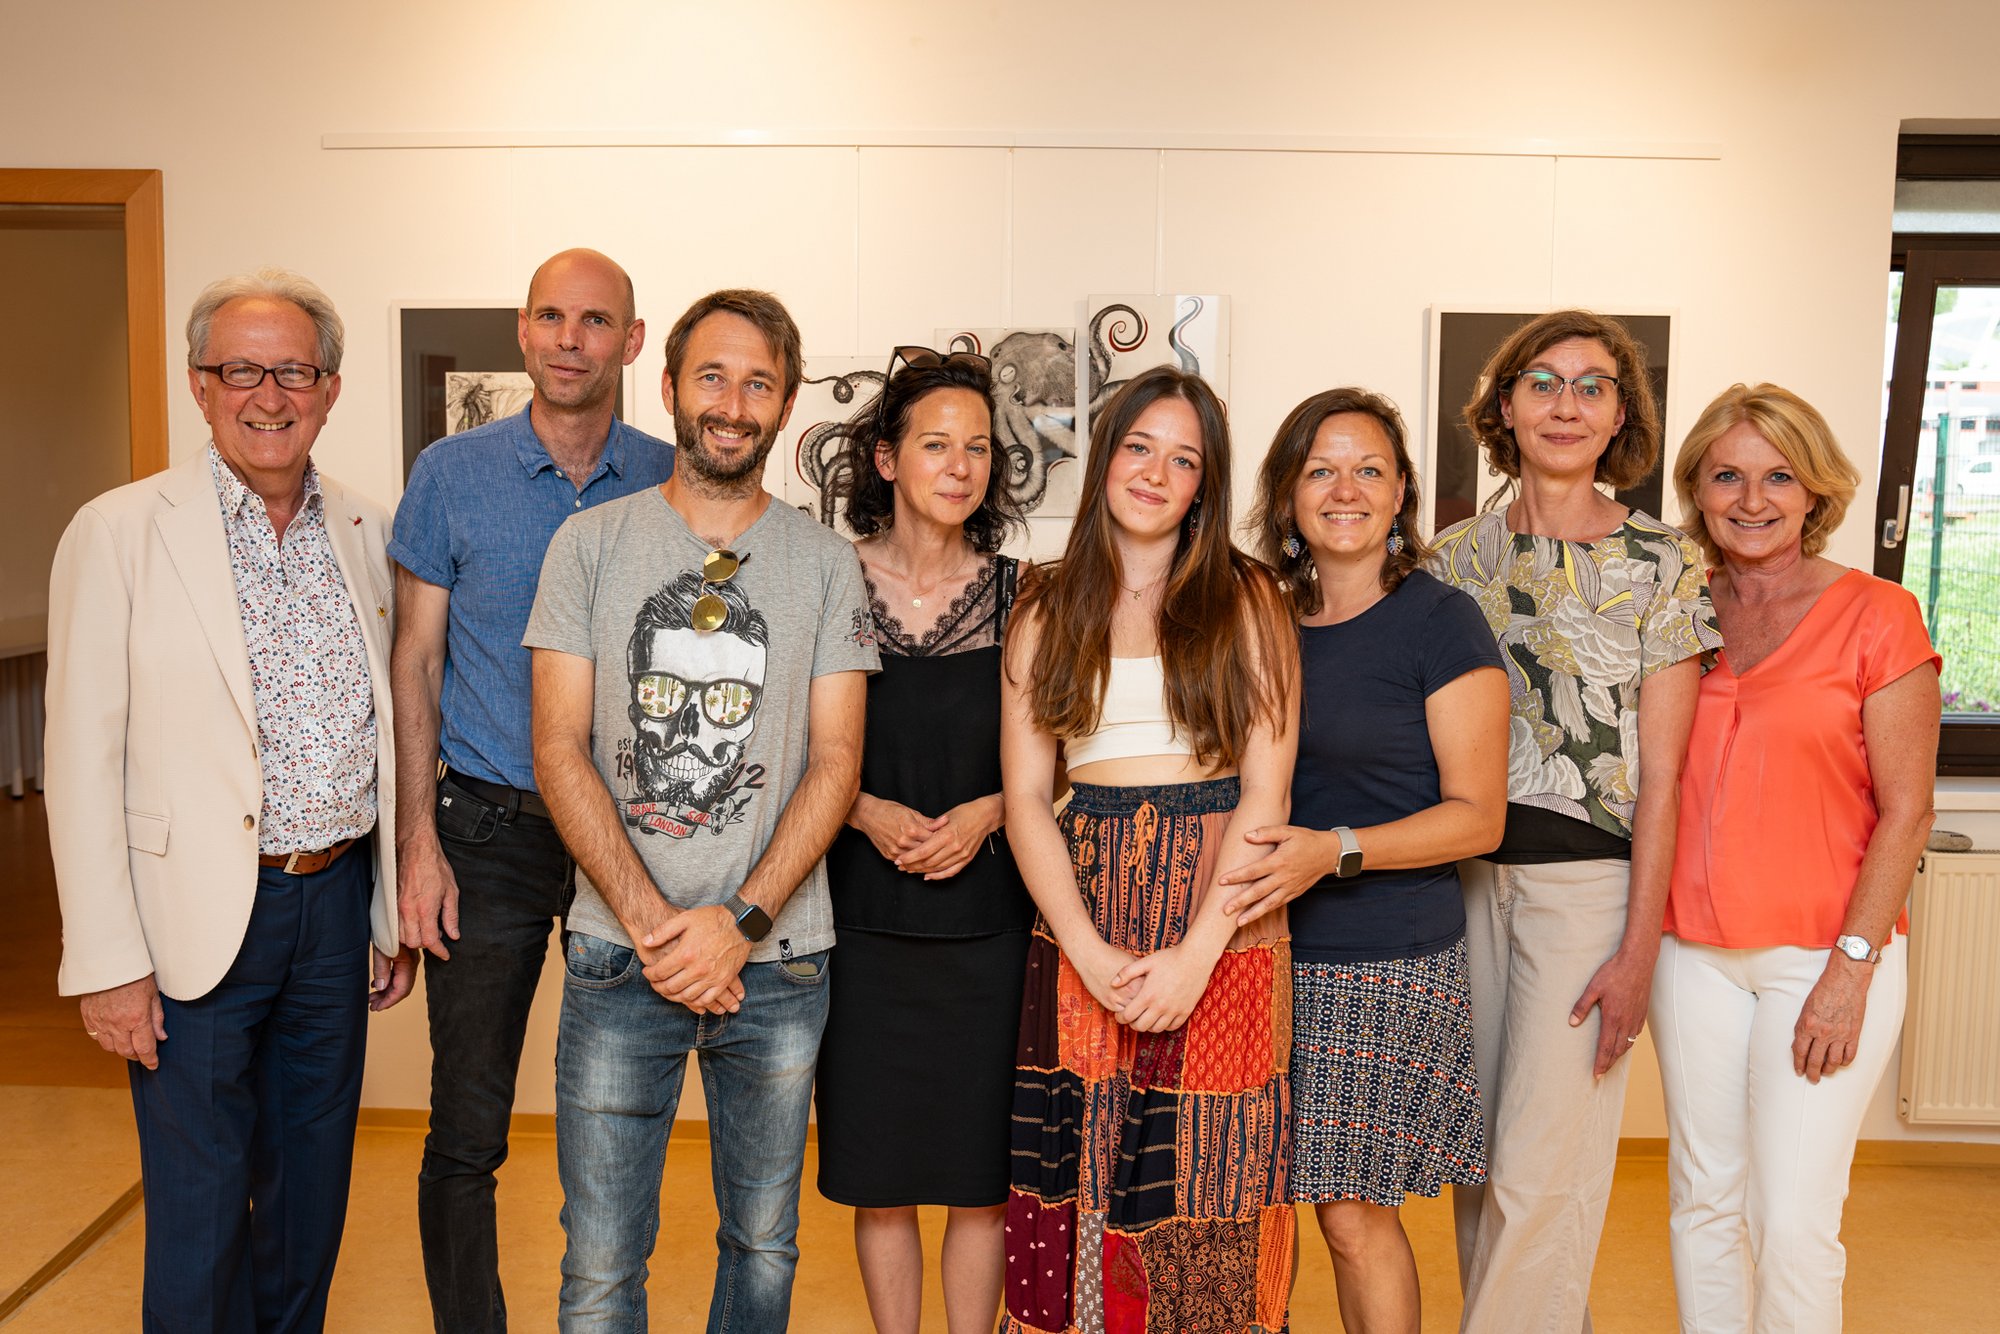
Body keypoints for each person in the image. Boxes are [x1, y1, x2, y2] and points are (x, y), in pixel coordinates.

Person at [45, 268, 414, 1331]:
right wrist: (110, 961)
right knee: (201, 1211)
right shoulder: (119, 530)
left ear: (330, 387)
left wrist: (384, 909)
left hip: (332, 909)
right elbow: (78, 756)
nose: (268, 393)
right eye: (239, 369)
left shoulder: (361, 523)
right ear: (200, 386)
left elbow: (384, 732)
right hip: (190, 918)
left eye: (292, 369)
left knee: (309, 1195)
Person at [526, 288, 878, 1332]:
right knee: (598, 1264)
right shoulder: (588, 547)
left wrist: (738, 923)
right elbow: (559, 745)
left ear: (785, 403)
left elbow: (836, 758)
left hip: (775, 961)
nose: (732, 401)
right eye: (712, 376)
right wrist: (651, 922)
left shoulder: (823, 562)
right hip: (613, 953)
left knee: (762, 1247)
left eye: (757, 381)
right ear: (670, 385)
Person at [388, 248, 672, 1332]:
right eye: (551, 316)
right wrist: (416, 844)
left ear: (631, 341)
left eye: (595, 320)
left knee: (618, 1121)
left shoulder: (667, 476)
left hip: (627, 836)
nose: (570, 339)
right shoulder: (449, 473)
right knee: (466, 1128)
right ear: (522, 329)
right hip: (485, 827)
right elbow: (415, 662)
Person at [1424, 308, 1720, 1333]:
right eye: (1541, 380)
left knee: (1542, 1172)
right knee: (1484, 1164)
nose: (1563, 402)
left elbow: (1668, 772)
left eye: (1590, 384)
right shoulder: (1445, 561)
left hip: (1587, 893)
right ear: (1502, 404)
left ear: (1620, 412)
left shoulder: (1665, 562)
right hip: (1457, 884)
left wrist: (1637, 948)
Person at [998, 364, 1300, 1334]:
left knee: (1210, 1200)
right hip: (1084, 924)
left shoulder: (1248, 597)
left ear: (1203, 484)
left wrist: (1197, 952)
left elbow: (1266, 791)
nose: (1155, 472)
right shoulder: (1045, 603)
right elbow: (1025, 801)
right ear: (1104, 455)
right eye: (1138, 446)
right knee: (1081, 1184)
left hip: (1224, 926)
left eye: (1184, 458)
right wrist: (1085, 951)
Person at [1220, 387, 1508, 1334]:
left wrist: (1333, 853)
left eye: (1369, 469)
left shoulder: (1440, 621)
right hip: (1248, 949)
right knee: (1243, 1207)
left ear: (1400, 496)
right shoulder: (1252, 615)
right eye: (1320, 470)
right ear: (1288, 494)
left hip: (1379, 957)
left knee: (1349, 1216)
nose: (1344, 489)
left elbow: (1478, 819)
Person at [1656, 383, 1939, 1333]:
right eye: (1727, 475)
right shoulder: (1675, 615)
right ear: (1697, 489)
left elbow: (1907, 811)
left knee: (1794, 1218)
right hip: (1689, 953)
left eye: (1779, 476)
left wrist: (1850, 972)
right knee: (1702, 1201)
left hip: (1824, 957)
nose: (1752, 498)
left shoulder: (1879, 614)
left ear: (1815, 492)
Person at [813, 346, 1034, 1333]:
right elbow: (780, 742)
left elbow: (1064, 761)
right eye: (935, 443)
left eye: (977, 447)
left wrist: (992, 810)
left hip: (990, 930)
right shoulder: (823, 582)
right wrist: (857, 806)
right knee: (882, 1177)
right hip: (858, 926)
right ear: (887, 457)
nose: (959, 464)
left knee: (981, 1179)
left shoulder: (1024, 593)